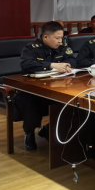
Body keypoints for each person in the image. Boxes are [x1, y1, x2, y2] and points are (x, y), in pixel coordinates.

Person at [18, 21, 76, 151]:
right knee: (29, 103)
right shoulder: (31, 48)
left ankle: (48, 129)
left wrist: (67, 65)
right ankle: (29, 133)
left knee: (72, 102)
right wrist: (51, 65)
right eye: (57, 38)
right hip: (31, 89)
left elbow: (73, 59)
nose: (60, 41)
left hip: (56, 86)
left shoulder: (62, 46)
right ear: (45, 37)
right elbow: (26, 64)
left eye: (61, 38)